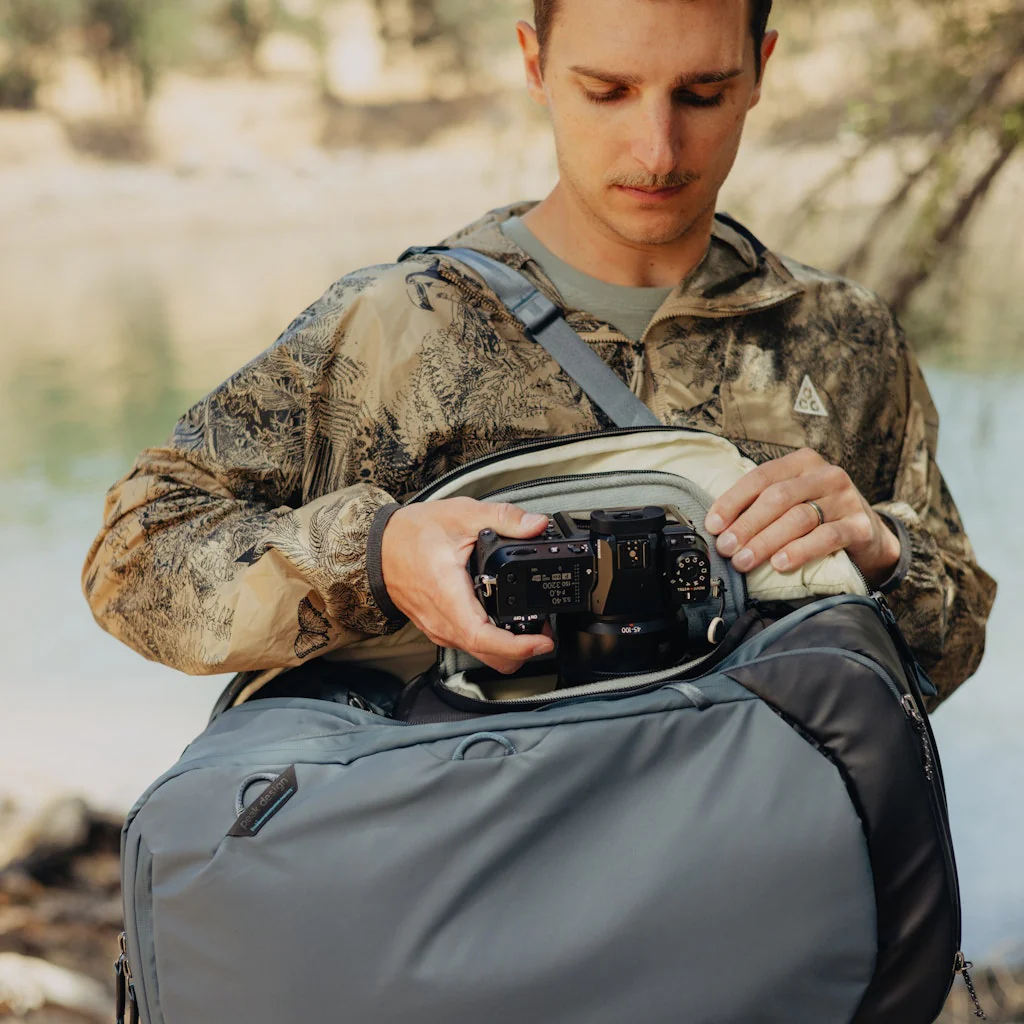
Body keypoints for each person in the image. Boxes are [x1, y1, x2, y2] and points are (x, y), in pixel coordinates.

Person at [82, 0, 995, 706]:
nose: (657, 145)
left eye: (702, 94)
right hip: (485, 903)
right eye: (608, 91)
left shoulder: (843, 336)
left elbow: (948, 651)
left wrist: (881, 556)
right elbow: (133, 556)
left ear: (760, 70)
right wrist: (374, 556)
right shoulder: (399, 327)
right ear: (536, 63)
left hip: (764, 911)